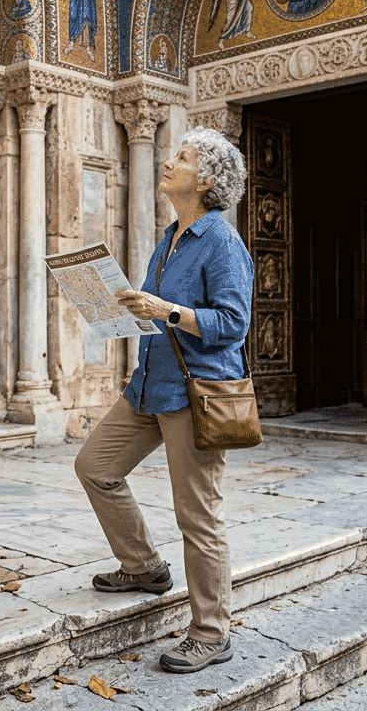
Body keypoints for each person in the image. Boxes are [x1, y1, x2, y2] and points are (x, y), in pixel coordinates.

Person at [75, 127, 253, 675]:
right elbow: (158, 313)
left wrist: (168, 310)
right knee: (95, 466)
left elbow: (233, 323)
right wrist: (120, 306)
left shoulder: (221, 242)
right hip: (150, 385)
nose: (168, 162)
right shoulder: (169, 235)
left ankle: (210, 631)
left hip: (196, 392)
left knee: (197, 516)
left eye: (181, 157)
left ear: (206, 179)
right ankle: (144, 567)